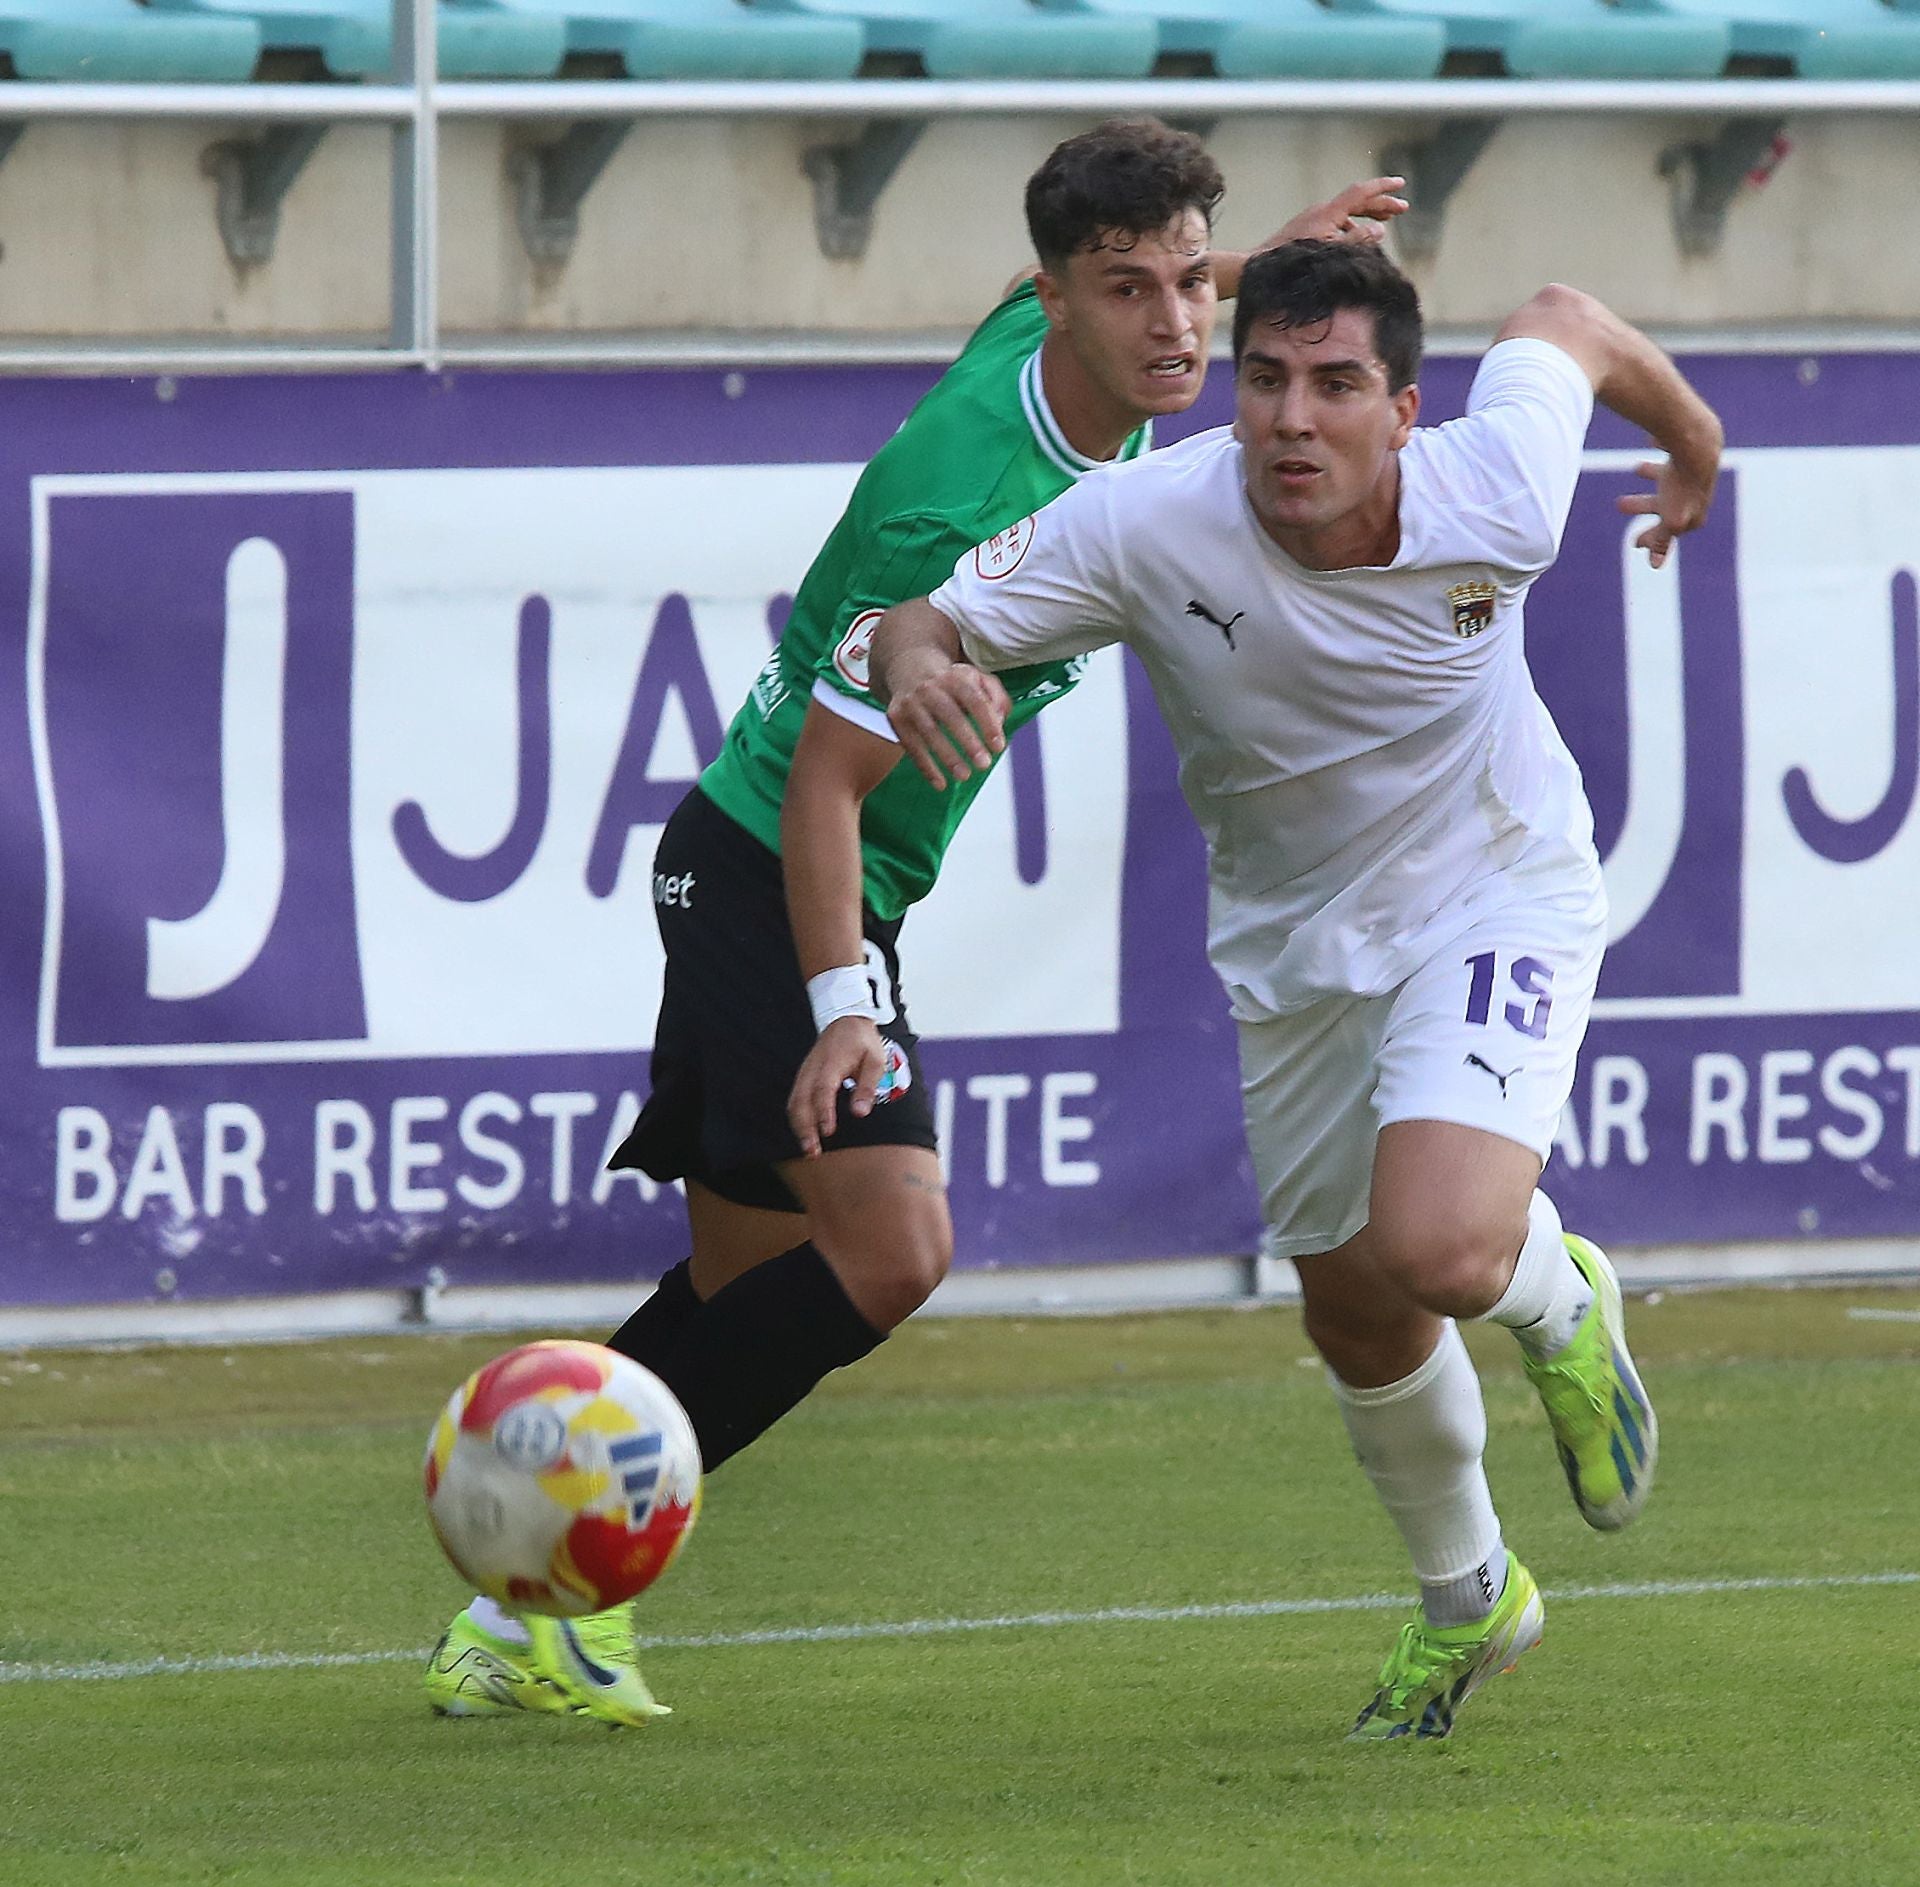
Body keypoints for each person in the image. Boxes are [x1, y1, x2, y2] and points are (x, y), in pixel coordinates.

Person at [423, 125, 1409, 1725]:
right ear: (1056, 298)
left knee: (748, 1300)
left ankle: (527, 1585)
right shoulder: (950, 507)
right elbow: (824, 787)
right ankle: (533, 1583)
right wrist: (840, 1005)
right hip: (770, 876)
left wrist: (1271, 254)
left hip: (788, 878)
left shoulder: (1057, 347)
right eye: (1133, 292)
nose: (1178, 327)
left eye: (1191, 284)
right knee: (895, 1248)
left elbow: (1139, 284)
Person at [858, 239, 1721, 1740]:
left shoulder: (1498, 489)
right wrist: (921, 662)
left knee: (1444, 1250)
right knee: (1356, 1318)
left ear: (1403, 408)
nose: (1290, 420)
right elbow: (921, 618)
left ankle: (1560, 1300)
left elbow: (1566, 318)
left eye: (1334, 386)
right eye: (1263, 380)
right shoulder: (1147, 521)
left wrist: (1693, 441)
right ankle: (1472, 1604)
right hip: (1292, 943)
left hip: (1495, 882)